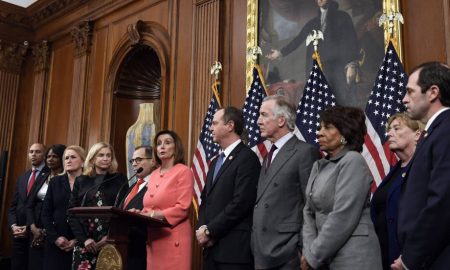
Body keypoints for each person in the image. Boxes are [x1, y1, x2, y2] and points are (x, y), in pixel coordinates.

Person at [301, 106, 382, 270]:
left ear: (345, 133)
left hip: (354, 257)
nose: (319, 133)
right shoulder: (319, 165)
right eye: (319, 127)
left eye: (327, 127)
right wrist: (309, 252)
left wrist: (313, 255)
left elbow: (343, 215)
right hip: (324, 257)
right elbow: (308, 212)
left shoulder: (353, 161)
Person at [393, 62, 450, 270]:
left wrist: (410, 258)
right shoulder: (436, 131)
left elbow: (442, 200)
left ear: (433, 92)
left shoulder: (445, 130)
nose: (404, 99)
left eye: (410, 91)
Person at [252, 95, 320, 270]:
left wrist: (304, 249)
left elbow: (311, 205)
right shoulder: (269, 155)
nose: (258, 121)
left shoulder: (304, 152)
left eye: (264, 115)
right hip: (261, 251)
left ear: (281, 120)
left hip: (288, 253)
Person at [196, 107, 261, 270]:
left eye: (215, 123)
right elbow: (205, 200)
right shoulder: (216, 161)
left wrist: (210, 231)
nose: (210, 128)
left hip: (234, 252)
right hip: (211, 249)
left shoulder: (247, 158)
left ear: (230, 125)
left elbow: (241, 203)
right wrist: (204, 229)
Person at [267, 0, 359, 106]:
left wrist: (351, 64)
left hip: (338, 70)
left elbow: (351, 39)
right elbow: (298, 40)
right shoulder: (312, 23)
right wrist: (281, 53)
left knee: (341, 104)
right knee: (322, 106)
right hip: (319, 72)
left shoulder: (342, 17)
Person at [131, 130, 193, 270]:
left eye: (167, 142)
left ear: (176, 147)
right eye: (159, 144)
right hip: (154, 239)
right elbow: (150, 206)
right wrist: (139, 213)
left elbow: (182, 208)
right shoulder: (153, 174)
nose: (162, 147)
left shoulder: (183, 171)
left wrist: (152, 215)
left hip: (174, 238)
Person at [370, 114, 422, 270]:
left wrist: (409, 255)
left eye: (396, 128)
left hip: (410, 257)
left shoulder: (423, 167)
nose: (389, 133)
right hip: (386, 255)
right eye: (389, 129)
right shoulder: (394, 171)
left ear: (417, 135)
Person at [68, 142, 127, 269]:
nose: (105, 158)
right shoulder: (81, 180)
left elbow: (123, 211)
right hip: (85, 243)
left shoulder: (119, 179)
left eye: (108, 155)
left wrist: (110, 236)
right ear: (93, 158)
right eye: (101, 155)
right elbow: (72, 213)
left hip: (110, 241)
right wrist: (84, 239)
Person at [42, 145, 86, 270]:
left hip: (82, 243)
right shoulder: (55, 182)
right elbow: (45, 213)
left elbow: (92, 216)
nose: (68, 160)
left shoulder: (89, 183)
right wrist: (55, 238)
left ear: (83, 162)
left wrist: (77, 240)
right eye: (66, 158)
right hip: (56, 241)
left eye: (73, 157)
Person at [8, 143, 48, 270]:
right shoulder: (23, 177)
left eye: (37, 151)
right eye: (31, 152)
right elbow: (14, 206)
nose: (33, 154)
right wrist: (13, 226)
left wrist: (29, 226)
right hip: (18, 233)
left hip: (36, 232)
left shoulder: (49, 175)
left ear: (44, 155)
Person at [26, 144, 66, 270]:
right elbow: (29, 204)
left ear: (62, 158)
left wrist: (47, 231)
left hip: (55, 232)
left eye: (55, 156)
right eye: (48, 156)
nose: (50, 159)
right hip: (35, 231)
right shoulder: (43, 177)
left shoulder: (66, 179)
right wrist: (32, 227)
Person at [119, 145, 155, 270]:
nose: (134, 164)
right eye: (132, 160)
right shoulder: (132, 185)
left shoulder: (156, 185)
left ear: (152, 161)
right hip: (124, 246)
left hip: (141, 249)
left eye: (138, 160)